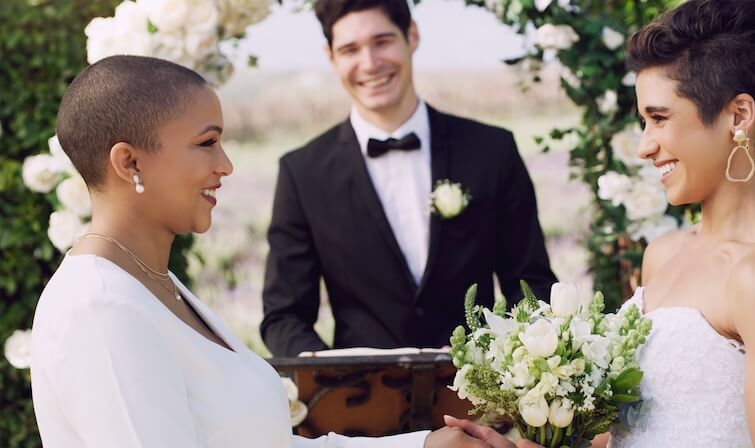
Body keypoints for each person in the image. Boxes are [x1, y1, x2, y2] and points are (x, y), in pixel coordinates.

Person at [29, 55, 511, 448]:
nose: (226, 165)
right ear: (128, 161)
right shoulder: (100, 307)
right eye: (207, 143)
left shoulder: (155, 285)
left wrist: (425, 446)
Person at [449, 0, 755, 447]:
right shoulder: (663, 255)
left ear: (738, 116)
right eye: (643, 121)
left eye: (660, 118)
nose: (644, 147)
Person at [260, 0, 557, 357]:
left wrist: (499, 365)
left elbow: (532, 285)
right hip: (359, 404)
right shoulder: (301, 173)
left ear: (411, 36)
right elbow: (284, 317)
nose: (370, 63)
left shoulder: (491, 151)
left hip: (480, 403)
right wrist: (338, 378)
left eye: (382, 41)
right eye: (350, 49)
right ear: (331, 57)